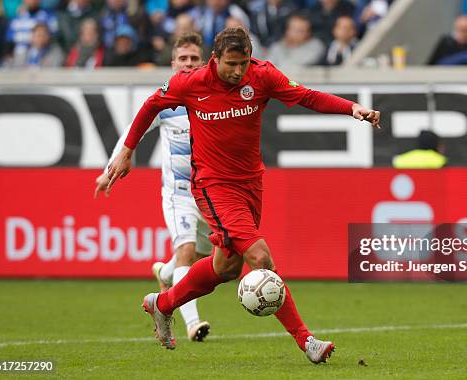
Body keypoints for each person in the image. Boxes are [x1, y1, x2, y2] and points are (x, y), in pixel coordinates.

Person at [106, 27, 380, 363]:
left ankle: (161, 304)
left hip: (251, 183)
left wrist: (351, 108)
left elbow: (307, 96)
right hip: (212, 185)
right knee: (260, 259)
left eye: (244, 63)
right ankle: (306, 340)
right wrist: (127, 151)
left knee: (225, 266)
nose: (238, 71)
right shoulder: (191, 83)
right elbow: (150, 105)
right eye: (232, 64)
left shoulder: (262, 76)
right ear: (215, 59)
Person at [95, 33, 212, 342]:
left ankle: (165, 272)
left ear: (204, 62)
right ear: (173, 63)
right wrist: (111, 168)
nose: (188, 64)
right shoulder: (166, 100)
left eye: (194, 59)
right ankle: (193, 323)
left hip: (212, 195)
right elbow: (133, 131)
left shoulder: (214, 96)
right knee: (186, 250)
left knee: (206, 258)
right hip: (179, 195)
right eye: (183, 59)